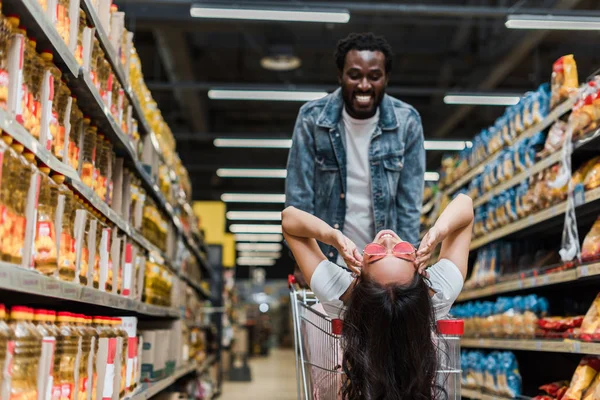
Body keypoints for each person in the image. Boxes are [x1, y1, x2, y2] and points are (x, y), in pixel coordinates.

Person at [282, 194, 473, 400]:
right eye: (403, 252)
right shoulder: (438, 290)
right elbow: (465, 204)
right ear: (421, 274)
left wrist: (332, 236)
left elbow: (289, 220)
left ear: (357, 279)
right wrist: (438, 232)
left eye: (375, 254)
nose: (388, 239)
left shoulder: (343, 292)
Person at [285, 32, 425, 268]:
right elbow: (299, 200)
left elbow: (409, 205)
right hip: (326, 261)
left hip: (384, 264)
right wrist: (304, 260)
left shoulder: (407, 122)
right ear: (340, 76)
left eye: (374, 76)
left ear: (386, 78)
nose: (364, 85)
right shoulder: (312, 119)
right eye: (354, 75)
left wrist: (404, 260)